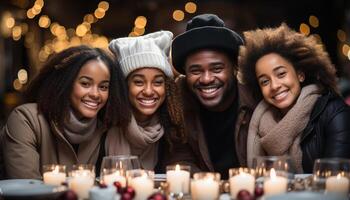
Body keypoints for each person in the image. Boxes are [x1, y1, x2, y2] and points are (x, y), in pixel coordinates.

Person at [1, 45, 131, 179]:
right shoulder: (25, 119)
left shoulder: (106, 128)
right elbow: (26, 189)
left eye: (103, 87)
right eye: (85, 84)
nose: (95, 94)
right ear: (65, 83)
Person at [238, 24, 350, 173]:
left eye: (281, 74)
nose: (274, 86)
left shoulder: (334, 112)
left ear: (300, 75)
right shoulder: (258, 120)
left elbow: (334, 182)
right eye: (265, 81)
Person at [171, 14, 255, 178]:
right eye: (195, 71)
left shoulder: (256, 100)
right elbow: (180, 160)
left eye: (216, 69)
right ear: (185, 74)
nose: (206, 79)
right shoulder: (178, 105)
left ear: (234, 68)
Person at [108, 30, 187, 170]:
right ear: (124, 86)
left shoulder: (174, 130)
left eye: (157, 82)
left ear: (166, 87)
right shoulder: (106, 125)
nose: (149, 91)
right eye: (138, 82)